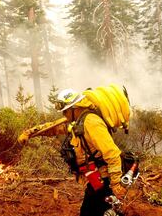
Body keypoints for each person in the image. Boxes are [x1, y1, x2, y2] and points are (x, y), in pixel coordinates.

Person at [18, 88, 127, 216]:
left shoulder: (91, 122)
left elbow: (112, 153)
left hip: (104, 180)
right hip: (95, 180)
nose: (64, 115)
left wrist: (116, 184)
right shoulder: (77, 122)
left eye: (65, 111)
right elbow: (53, 127)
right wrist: (29, 133)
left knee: (92, 212)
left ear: (74, 108)